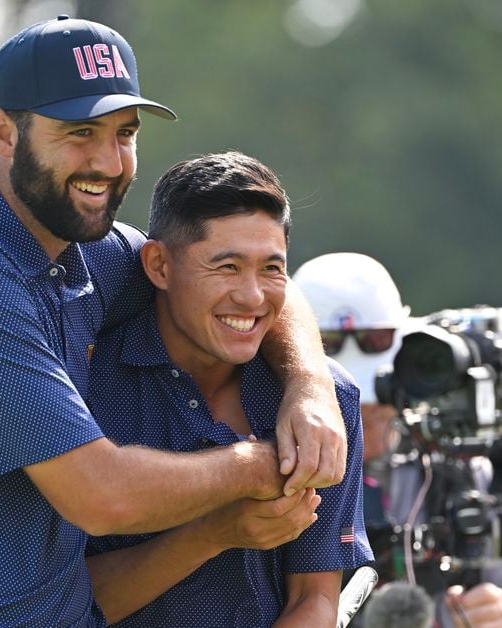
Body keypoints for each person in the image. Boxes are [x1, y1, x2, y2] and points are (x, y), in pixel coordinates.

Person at [0, 17, 347, 626]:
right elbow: (104, 496)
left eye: (123, 134)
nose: (107, 161)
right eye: (79, 132)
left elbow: (248, 289)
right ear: (3, 132)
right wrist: (270, 464)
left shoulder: (84, 251)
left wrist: (310, 390)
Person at [82, 152, 373, 626]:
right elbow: (60, 604)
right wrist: (211, 533)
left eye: (272, 268)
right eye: (227, 267)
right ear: (158, 265)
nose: (253, 296)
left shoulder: (326, 404)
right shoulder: (86, 392)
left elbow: (315, 601)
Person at [293, 252, 502, 628]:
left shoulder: (459, 475)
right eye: (343, 403)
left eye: (376, 399)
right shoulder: (273, 478)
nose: (362, 414)